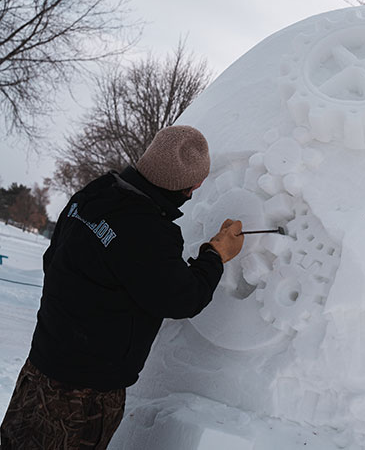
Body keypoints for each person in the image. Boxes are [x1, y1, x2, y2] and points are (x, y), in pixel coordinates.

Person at [0, 125, 243, 449]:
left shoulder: (93, 194)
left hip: (38, 371)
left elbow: (52, 259)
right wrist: (215, 255)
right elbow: (183, 298)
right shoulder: (150, 232)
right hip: (83, 396)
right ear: (193, 185)